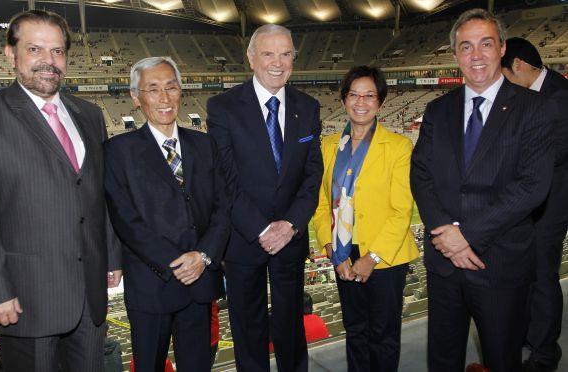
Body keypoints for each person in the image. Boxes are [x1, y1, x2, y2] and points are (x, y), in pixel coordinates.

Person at [0, 10, 122, 371]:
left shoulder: (89, 114)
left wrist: (112, 257)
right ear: (11, 55)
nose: (49, 61)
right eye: (35, 49)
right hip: (26, 302)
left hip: (89, 300)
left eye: (57, 51)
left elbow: (98, 195)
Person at [410, 8, 554, 372]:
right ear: (456, 54)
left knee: (502, 360)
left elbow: (533, 186)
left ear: (502, 48)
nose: (476, 55)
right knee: (442, 360)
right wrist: (446, 233)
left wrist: (466, 236)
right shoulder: (437, 111)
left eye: (485, 44)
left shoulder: (534, 109)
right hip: (444, 265)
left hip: (500, 263)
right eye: (466, 46)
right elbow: (420, 173)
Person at [207, 23, 323, 372]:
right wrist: (261, 229)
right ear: (251, 57)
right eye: (268, 53)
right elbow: (225, 181)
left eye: (285, 53)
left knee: (290, 326)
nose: (278, 62)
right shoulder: (222, 107)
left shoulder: (309, 106)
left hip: (290, 238)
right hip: (244, 239)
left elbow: (312, 175)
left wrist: (289, 225)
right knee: (248, 329)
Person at [104, 56, 230, 372]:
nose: (164, 98)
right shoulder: (118, 151)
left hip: (199, 282)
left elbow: (223, 207)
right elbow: (125, 220)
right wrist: (177, 263)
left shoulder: (204, 145)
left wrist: (203, 256)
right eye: (153, 89)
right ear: (136, 97)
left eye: (171, 87)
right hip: (151, 287)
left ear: (180, 91)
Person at [312, 65, 419, 371]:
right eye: (354, 95)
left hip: (385, 258)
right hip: (344, 253)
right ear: (343, 100)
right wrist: (332, 249)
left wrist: (372, 257)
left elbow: (402, 211)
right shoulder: (329, 146)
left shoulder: (399, 147)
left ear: (380, 102)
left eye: (369, 95)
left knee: (383, 335)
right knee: (355, 331)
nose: (361, 102)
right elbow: (321, 204)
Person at [501, 36, 568, 372]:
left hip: (551, 207)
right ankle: (531, 335)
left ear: (518, 66)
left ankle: (545, 354)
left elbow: (549, 156)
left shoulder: (558, 98)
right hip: (532, 205)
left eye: (506, 77)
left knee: (542, 277)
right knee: (529, 276)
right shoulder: (539, 93)